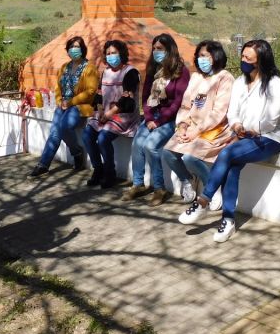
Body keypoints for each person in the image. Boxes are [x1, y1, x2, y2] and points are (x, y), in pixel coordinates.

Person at [179, 40, 280, 242]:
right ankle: (228, 221)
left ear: (261, 60)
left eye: (249, 58)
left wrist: (255, 130)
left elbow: (272, 119)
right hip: (243, 135)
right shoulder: (239, 82)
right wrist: (237, 125)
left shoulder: (275, 84)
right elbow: (233, 112)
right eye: (243, 57)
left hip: (269, 137)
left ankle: (204, 200)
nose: (244, 61)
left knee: (227, 153)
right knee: (233, 166)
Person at [164, 40, 234, 204]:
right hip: (191, 128)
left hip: (214, 129)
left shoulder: (225, 78)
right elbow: (186, 105)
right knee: (168, 153)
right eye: (199, 56)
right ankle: (188, 180)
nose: (201, 59)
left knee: (190, 158)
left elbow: (219, 112)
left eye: (205, 56)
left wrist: (199, 130)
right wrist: (181, 125)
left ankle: (212, 189)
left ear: (216, 57)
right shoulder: (195, 77)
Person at [124, 33, 190, 207]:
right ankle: (138, 184)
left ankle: (159, 188)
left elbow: (178, 102)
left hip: (170, 119)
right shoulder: (153, 70)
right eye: (154, 49)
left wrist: (159, 121)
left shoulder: (181, 71)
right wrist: (149, 117)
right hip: (152, 117)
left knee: (151, 146)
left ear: (170, 50)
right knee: (137, 143)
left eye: (159, 49)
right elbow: (145, 97)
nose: (156, 52)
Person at [29, 36, 100, 177]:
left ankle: (76, 153)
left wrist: (70, 102)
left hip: (79, 106)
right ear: (68, 50)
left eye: (77, 46)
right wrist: (59, 100)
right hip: (63, 105)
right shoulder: (64, 67)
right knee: (55, 132)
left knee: (63, 127)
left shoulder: (90, 68)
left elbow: (91, 92)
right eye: (71, 47)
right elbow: (57, 88)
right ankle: (44, 164)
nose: (74, 49)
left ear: (83, 49)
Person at [82, 40, 141, 188]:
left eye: (114, 53)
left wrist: (108, 115)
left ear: (122, 53)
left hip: (122, 116)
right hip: (105, 114)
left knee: (103, 138)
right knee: (87, 135)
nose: (111, 56)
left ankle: (110, 173)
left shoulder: (131, 73)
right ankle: (98, 169)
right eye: (108, 53)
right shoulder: (105, 72)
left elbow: (127, 101)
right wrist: (101, 111)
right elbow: (99, 96)